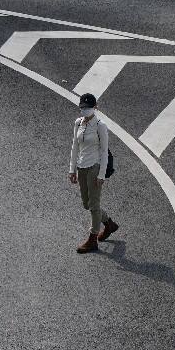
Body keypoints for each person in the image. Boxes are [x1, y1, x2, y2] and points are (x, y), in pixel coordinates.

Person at [68, 93, 118, 254]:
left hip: (95, 167)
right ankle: (109, 223)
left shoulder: (100, 126)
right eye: (83, 107)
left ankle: (92, 239)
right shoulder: (78, 123)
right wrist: (72, 169)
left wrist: (101, 175)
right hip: (82, 166)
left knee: (94, 205)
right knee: (87, 204)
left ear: (95, 107)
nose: (85, 110)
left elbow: (104, 151)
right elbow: (75, 146)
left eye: (88, 107)